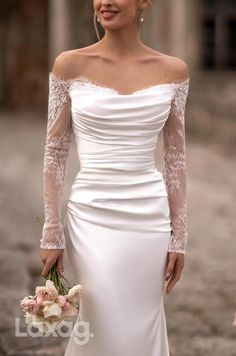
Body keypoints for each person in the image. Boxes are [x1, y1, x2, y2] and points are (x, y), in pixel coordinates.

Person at [40, 0, 190, 355]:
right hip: (91, 215)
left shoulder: (174, 71)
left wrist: (179, 235)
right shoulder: (69, 65)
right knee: (101, 314)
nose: (105, 1)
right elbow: (55, 151)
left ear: (143, 2)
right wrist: (51, 230)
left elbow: (176, 157)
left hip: (149, 220)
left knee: (141, 320)